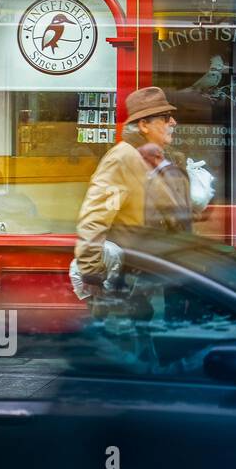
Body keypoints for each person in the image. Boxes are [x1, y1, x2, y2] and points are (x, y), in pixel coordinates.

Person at [70, 86, 177, 305]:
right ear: (144, 125)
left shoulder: (149, 158)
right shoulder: (123, 159)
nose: (173, 122)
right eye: (165, 118)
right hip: (125, 285)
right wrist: (92, 273)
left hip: (144, 279)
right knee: (121, 336)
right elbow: (95, 218)